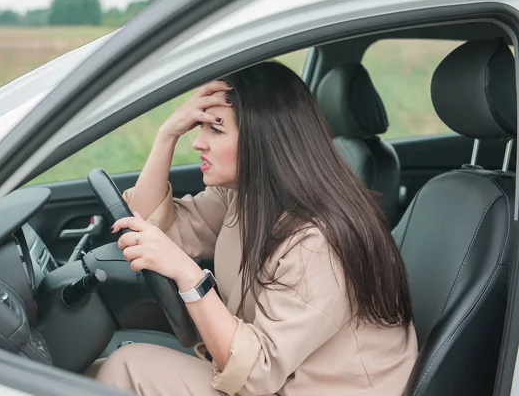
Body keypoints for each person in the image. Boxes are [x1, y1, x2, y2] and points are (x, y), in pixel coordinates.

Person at [95, 61, 418, 396]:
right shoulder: (246, 198)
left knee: (126, 367)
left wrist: (189, 277)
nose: (198, 143)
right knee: (94, 371)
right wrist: (168, 135)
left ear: (264, 140)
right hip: (275, 379)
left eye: (216, 130)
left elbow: (256, 373)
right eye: (200, 128)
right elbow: (142, 226)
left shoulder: (318, 240)